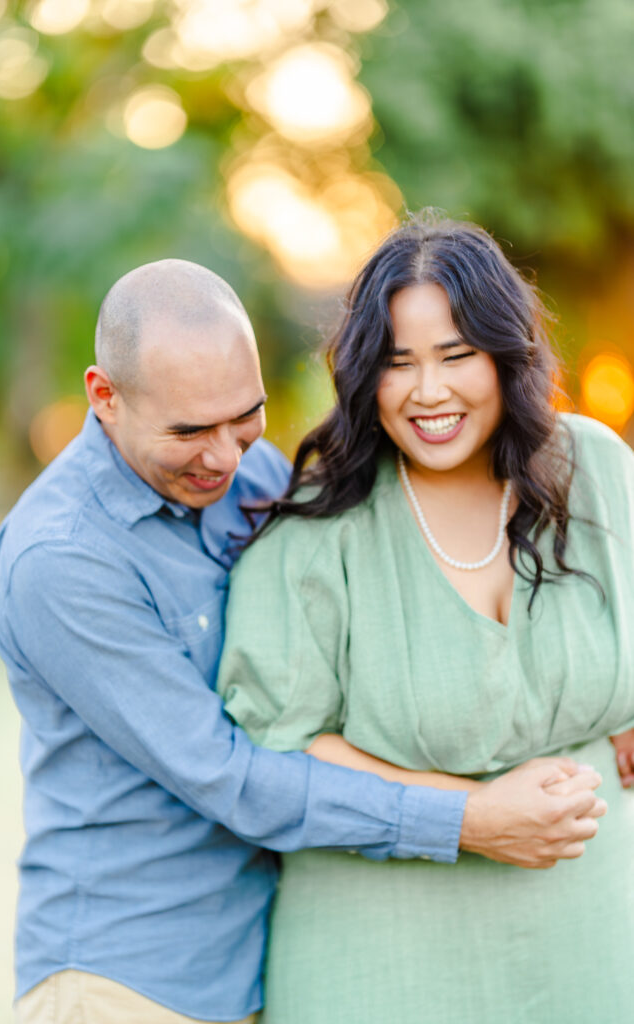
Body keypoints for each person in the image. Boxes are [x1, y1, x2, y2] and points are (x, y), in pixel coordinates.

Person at [0, 259, 605, 1024]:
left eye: (243, 417)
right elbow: (230, 776)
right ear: (103, 397)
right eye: (188, 431)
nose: (223, 456)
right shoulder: (62, 560)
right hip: (123, 981)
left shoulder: (251, 480)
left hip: (255, 966)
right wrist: (469, 819)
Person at [216, 215, 634, 1024]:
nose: (428, 391)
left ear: (505, 356)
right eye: (396, 363)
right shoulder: (315, 529)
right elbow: (282, 747)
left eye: (456, 355)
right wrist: (472, 819)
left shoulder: (597, 469)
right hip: (384, 955)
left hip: (595, 932)